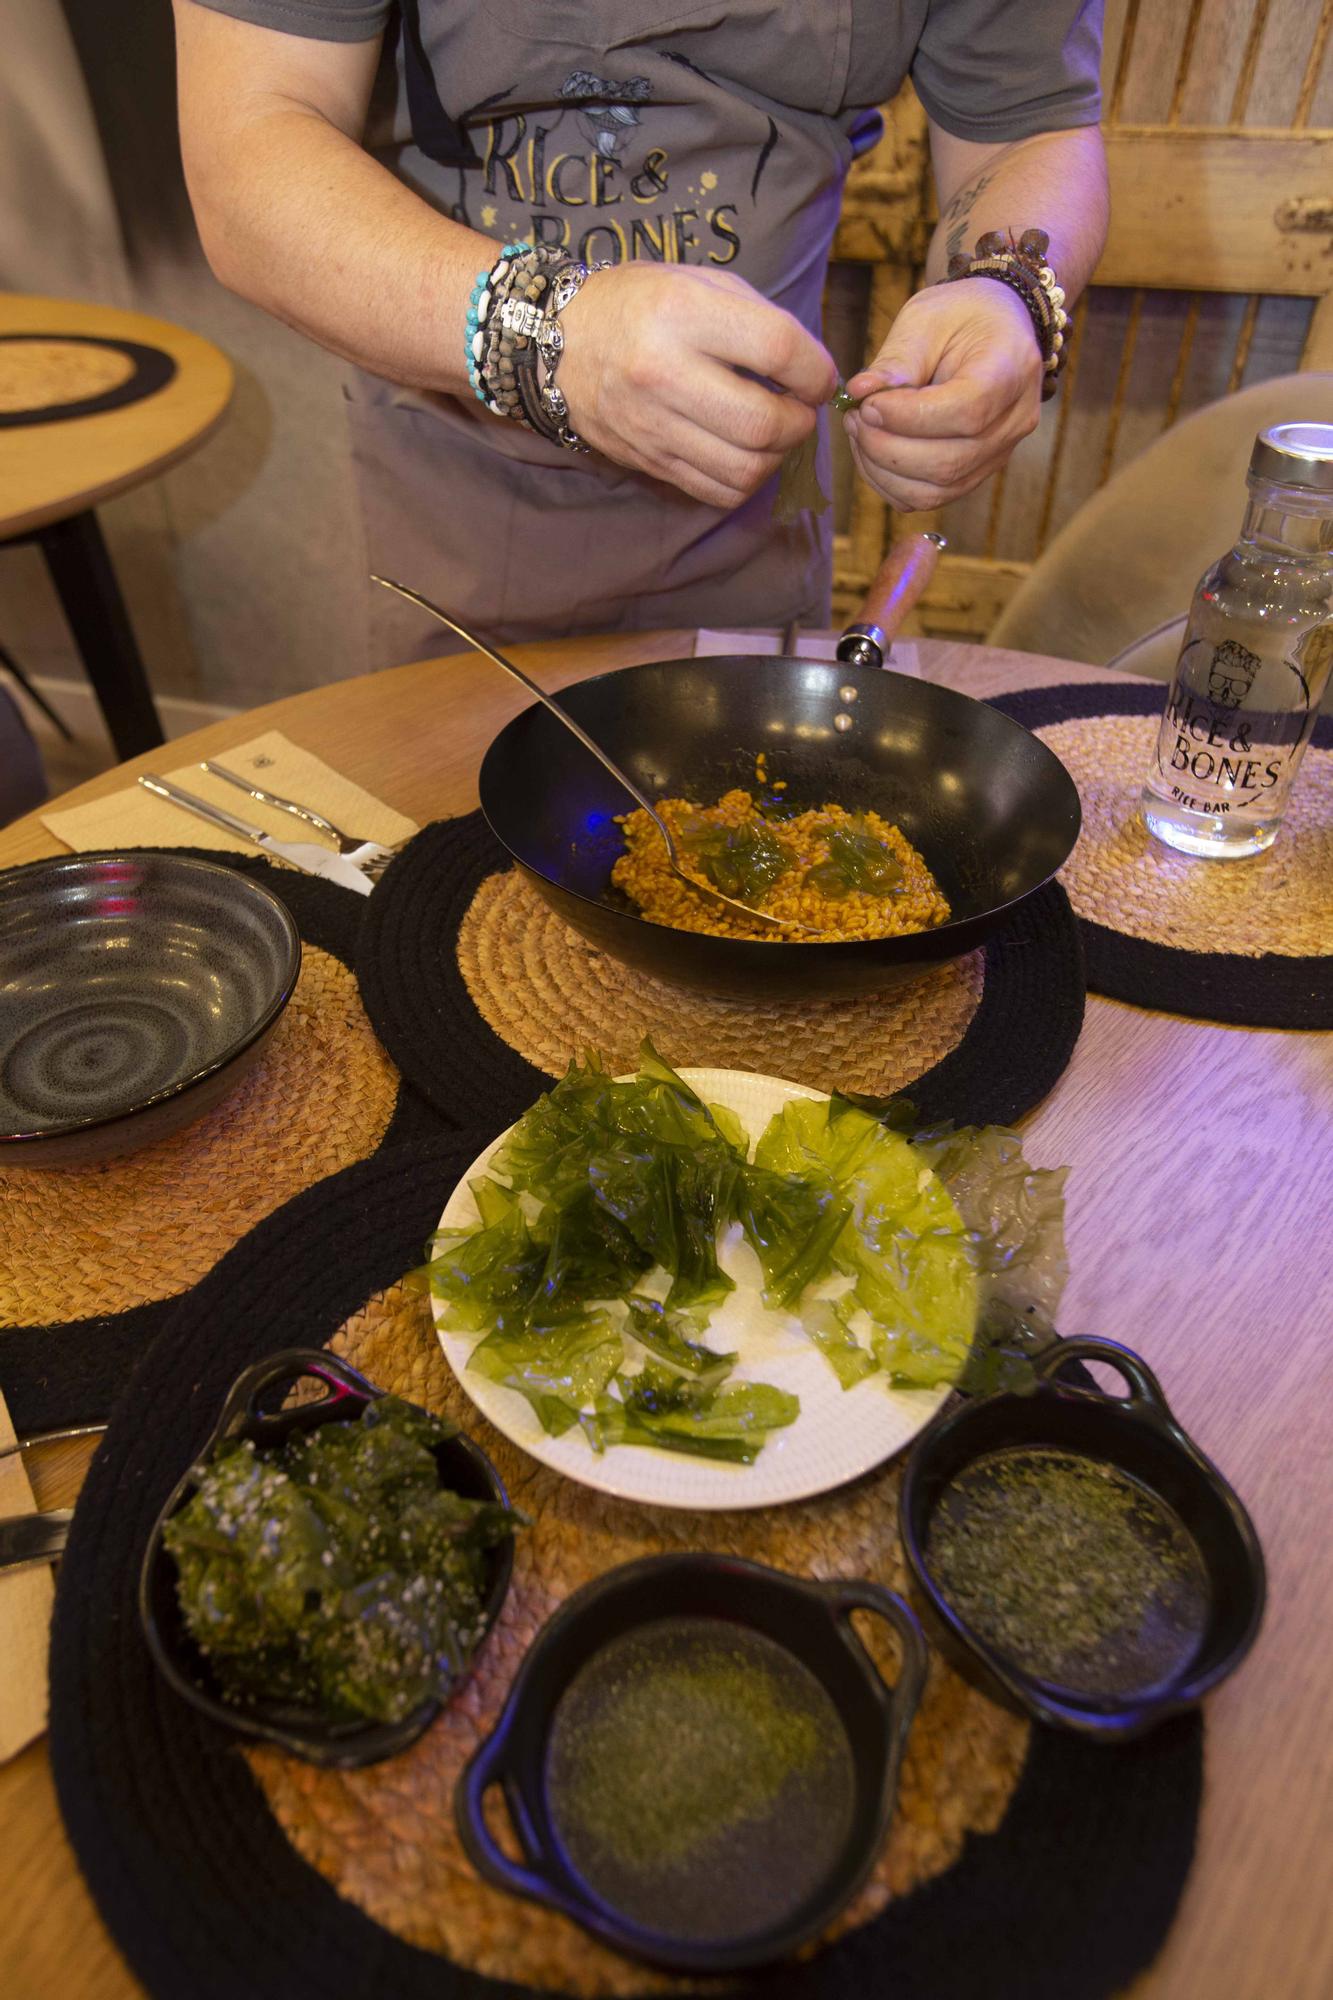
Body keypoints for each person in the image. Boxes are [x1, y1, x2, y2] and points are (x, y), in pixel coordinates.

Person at [171, 0, 1108, 661]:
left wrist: (1009, 289)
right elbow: (249, 148)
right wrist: (552, 332)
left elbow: (1029, 127)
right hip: (456, 502)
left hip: (753, 517)